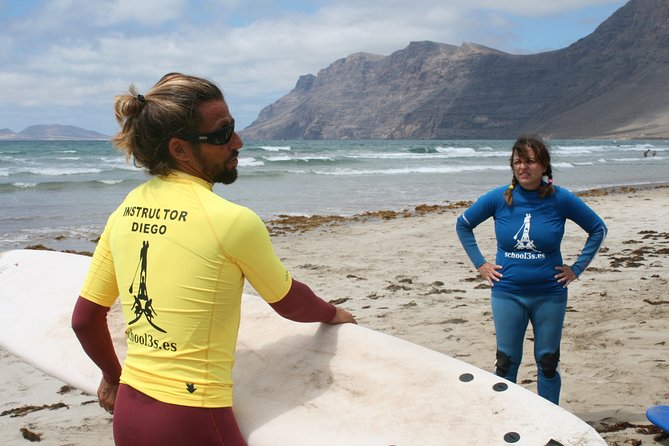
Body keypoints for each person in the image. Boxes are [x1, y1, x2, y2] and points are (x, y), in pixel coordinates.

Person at [71, 72, 356, 446]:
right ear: (180, 149)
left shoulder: (126, 209)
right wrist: (332, 314)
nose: (237, 142)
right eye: (222, 133)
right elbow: (288, 302)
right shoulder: (232, 221)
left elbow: (85, 319)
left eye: (233, 128)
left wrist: (112, 377)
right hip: (192, 420)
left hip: (129, 415)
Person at [455, 134, 607, 405]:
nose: (523, 167)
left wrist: (576, 268)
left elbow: (598, 229)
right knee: (505, 362)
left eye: (530, 161)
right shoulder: (498, 198)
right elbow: (463, 224)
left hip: (549, 294)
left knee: (548, 361)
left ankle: (550, 420)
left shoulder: (561, 199)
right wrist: (481, 264)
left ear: (544, 166)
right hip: (508, 294)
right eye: (517, 162)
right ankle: (504, 419)